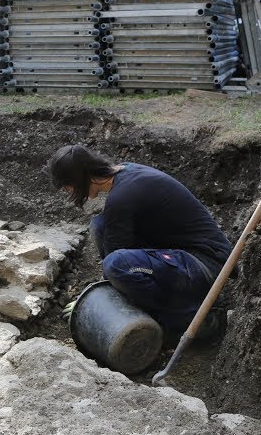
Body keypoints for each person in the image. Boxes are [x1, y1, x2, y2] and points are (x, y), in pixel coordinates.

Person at [45, 144, 232, 342]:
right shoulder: (126, 172)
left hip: (206, 267)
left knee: (116, 265)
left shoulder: (122, 197)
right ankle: (160, 306)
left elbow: (115, 265)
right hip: (185, 257)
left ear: (80, 178)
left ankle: (189, 320)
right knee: (101, 225)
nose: (68, 192)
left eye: (68, 187)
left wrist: (94, 300)